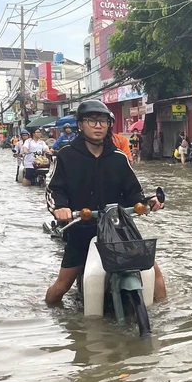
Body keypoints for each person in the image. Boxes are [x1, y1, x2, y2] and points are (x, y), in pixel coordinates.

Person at [45, 100, 166, 307]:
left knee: (155, 275)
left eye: (103, 121)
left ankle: (165, 316)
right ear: (80, 125)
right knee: (61, 288)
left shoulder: (119, 158)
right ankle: (48, 312)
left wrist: (148, 202)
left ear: (109, 125)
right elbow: (54, 189)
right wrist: (60, 208)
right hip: (81, 228)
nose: (98, 125)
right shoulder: (66, 155)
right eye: (91, 120)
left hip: (118, 227)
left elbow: (133, 192)